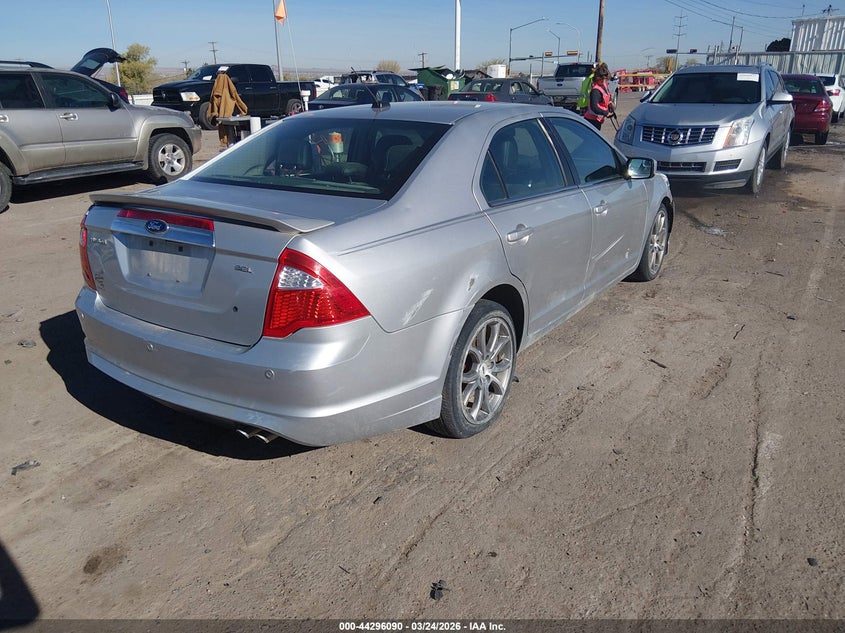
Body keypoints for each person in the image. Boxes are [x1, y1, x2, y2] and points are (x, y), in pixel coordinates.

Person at [583, 62, 614, 130]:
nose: (603, 81)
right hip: (591, 120)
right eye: (601, 79)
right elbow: (594, 107)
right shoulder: (595, 91)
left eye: (605, 79)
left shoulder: (604, 85)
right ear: (597, 78)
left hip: (598, 120)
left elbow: (607, 95)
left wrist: (610, 103)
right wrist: (606, 113)